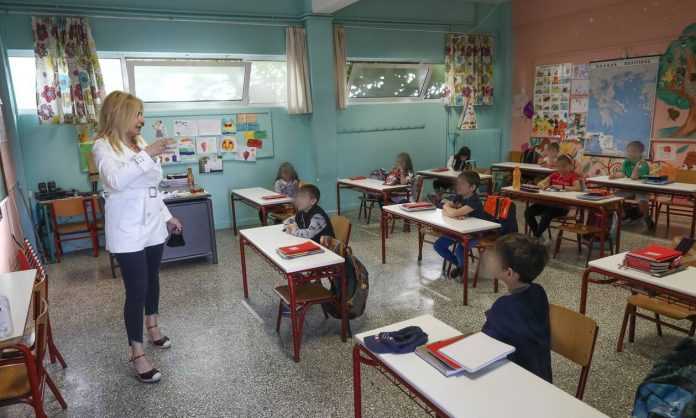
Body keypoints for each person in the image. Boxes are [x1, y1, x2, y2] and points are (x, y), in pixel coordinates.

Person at [92, 91, 183, 384]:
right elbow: (115, 181)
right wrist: (148, 154)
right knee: (136, 289)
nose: (142, 120)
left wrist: (168, 216)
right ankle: (137, 353)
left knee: (152, 279)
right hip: (127, 230)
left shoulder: (140, 142)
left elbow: (151, 187)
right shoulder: (102, 146)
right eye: (138, 114)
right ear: (120, 114)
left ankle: (153, 326)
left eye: (142, 114)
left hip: (153, 225)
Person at [481, 233, 552, 382]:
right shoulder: (539, 291)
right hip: (541, 376)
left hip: (515, 380)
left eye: (495, 259)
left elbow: (486, 344)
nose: (490, 259)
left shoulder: (503, 307)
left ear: (509, 273)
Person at [433, 171, 485, 279]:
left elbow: (451, 211)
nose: (458, 186)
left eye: (462, 184)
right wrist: (450, 210)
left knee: (460, 249)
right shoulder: (459, 196)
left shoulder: (474, 201)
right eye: (458, 183)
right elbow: (445, 210)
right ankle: (460, 266)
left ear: (472, 187)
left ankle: (461, 268)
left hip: (475, 233)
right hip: (459, 230)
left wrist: (451, 210)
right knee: (438, 245)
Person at [524, 154, 581, 243]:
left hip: (562, 206)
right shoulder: (555, 175)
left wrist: (562, 187)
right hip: (547, 203)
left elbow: (577, 188)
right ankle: (538, 235)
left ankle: (536, 237)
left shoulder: (573, 176)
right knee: (528, 212)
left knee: (546, 215)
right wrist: (542, 185)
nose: (561, 169)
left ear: (570, 166)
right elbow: (540, 183)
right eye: (559, 166)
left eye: (564, 166)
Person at [610, 141, 654, 230]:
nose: (631, 154)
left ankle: (646, 217)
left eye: (634, 151)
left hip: (641, 189)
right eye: (629, 151)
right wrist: (615, 175)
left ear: (640, 153)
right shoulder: (626, 162)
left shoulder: (643, 164)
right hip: (628, 188)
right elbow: (623, 174)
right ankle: (624, 215)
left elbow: (634, 177)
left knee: (642, 201)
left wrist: (637, 166)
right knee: (613, 198)